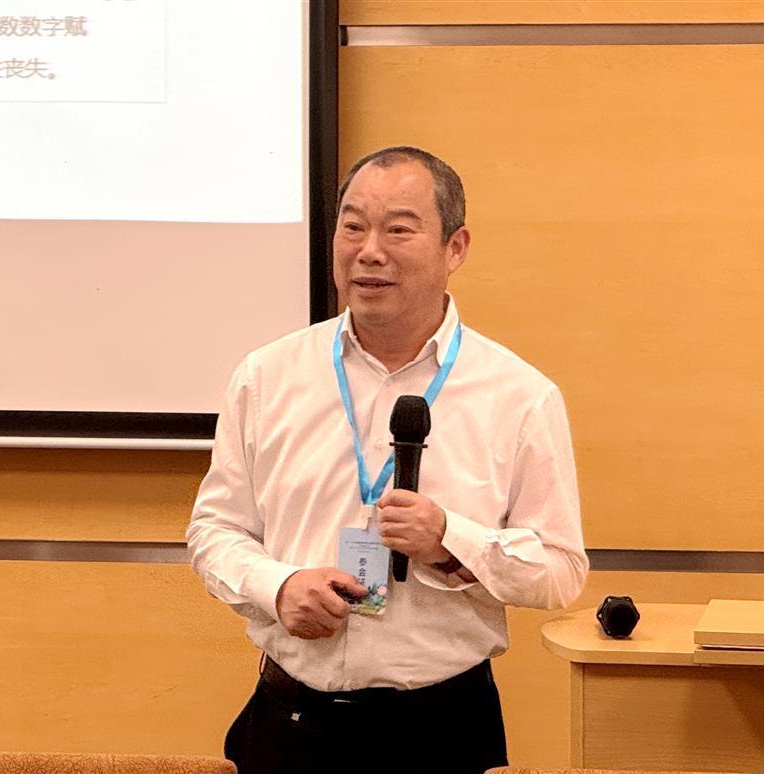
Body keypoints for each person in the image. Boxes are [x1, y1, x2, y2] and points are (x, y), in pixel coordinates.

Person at [186, 146, 587, 774]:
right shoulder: (268, 376)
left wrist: (451, 541)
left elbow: (560, 570)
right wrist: (278, 586)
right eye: (353, 226)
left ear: (455, 248)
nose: (369, 251)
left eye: (398, 229)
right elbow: (215, 530)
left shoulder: (519, 396)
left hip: (441, 731)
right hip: (289, 723)